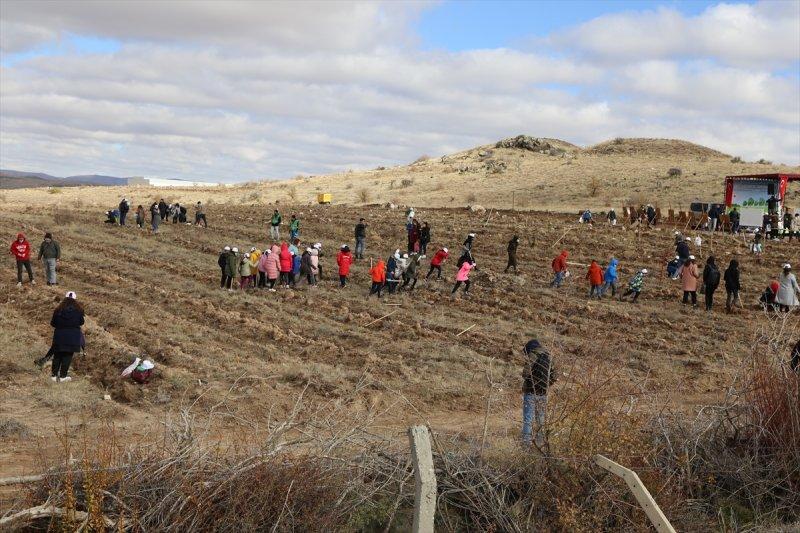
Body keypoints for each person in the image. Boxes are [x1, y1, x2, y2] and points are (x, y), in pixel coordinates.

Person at [521, 339, 556, 447]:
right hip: (543, 393)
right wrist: (545, 384)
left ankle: (526, 445)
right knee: (540, 420)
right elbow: (555, 376)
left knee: (528, 419)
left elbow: (525, 373)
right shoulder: (549, 356)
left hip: (531, 392)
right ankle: (540, 444)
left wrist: (531, 382)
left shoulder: (533, 354)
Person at [49, 291, 84, 382]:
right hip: (73, 337)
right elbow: (81, 322)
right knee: (67, 356)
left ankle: (53, 375)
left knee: (57, 355)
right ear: (75, 299)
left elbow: (53, 323)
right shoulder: (79, 310)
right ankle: (63, 376)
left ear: (65, 299)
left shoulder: (58, 310)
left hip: (59, 335)